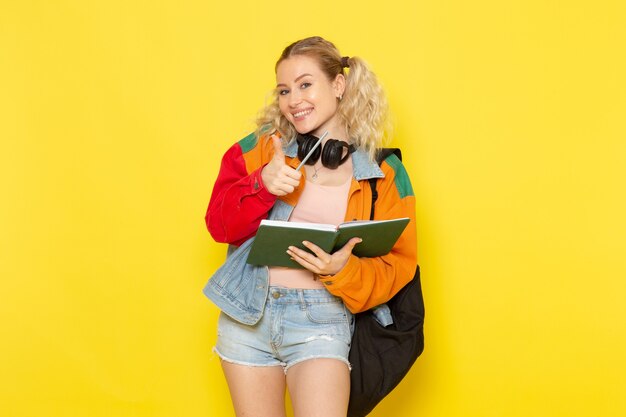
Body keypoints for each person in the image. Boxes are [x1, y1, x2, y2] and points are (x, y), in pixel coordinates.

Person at [203, 36, 417, 417]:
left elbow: (399, 265)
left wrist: (344, 270)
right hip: (248, 314)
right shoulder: (259, 149)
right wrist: (260, 185)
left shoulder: (384, 173)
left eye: (305, 84)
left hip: (323, 318)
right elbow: (218, 225)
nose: (293, 100)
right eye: (284, 90)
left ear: (338, 85)